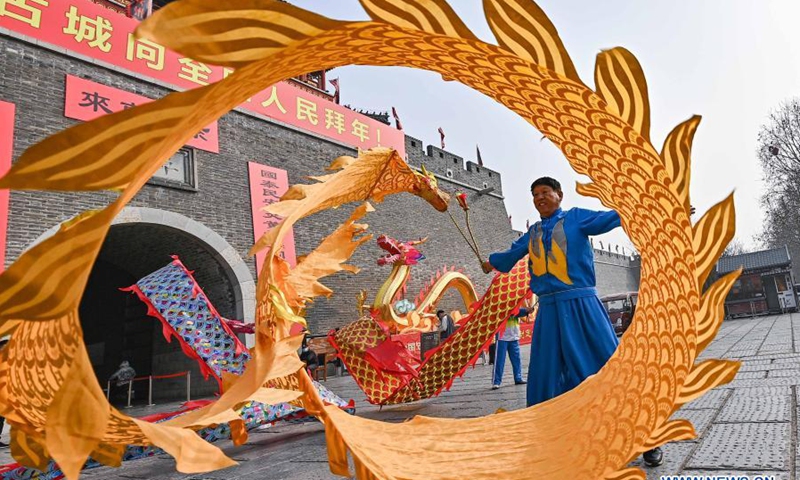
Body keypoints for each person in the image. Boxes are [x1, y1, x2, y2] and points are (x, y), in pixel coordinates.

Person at [482, 176, 663, 467]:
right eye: (534, 194)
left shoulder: (577, 218)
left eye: (545, 192)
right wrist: (491, 261)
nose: (539, 197)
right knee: (544, 377)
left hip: (582, 306)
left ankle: (648, 438)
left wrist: (656, 208)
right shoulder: (532, 233)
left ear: (559, 195)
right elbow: (510, 256)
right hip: (550, 314)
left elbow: (614, 217)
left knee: (610, 370)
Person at [491, 308, 528, 389]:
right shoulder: (499, 304)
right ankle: (496, 381)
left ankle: (518, 378)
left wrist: (527, 311)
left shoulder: (515, 302)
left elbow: (518, 312)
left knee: (516, 360)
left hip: (514, 337)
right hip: (502, 337)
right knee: (499, 361)